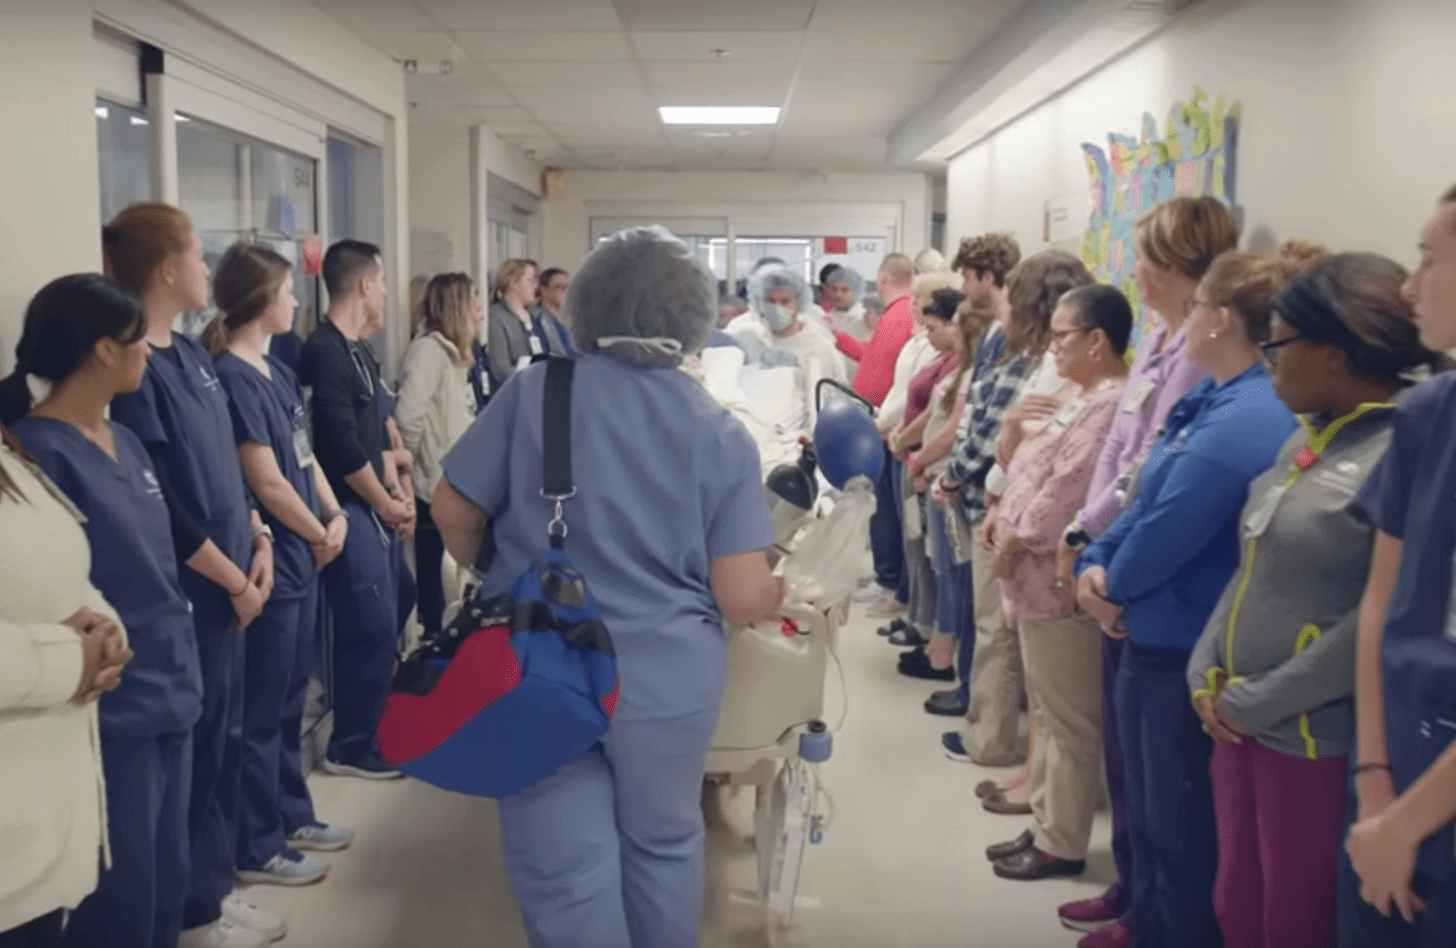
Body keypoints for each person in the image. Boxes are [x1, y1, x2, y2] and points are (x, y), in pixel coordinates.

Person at [431, 226, 784, 948]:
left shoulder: (536, 389)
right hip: (667, 679)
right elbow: (743, 595)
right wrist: (784, 592)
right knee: (663, 842)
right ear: (692, 319)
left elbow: (452, 508)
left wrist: (490, 568)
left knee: (561, 861)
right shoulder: (719, 430)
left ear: (585, 306)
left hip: (539, 659)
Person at [1182, 250, 1441, 948]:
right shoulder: (1306, 439)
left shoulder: (1405, 451)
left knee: (1294, 921)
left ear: (1332, 353)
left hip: (1313, 739)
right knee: (1238, 903)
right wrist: (1204, 671)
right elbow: (1253, 560)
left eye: (1280, 344)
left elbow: (1379, 618)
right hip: (1238, 727)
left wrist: (1257, 699)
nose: (1269, 360)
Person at [1076, 247, 1311, 948]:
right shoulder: (1210, 397)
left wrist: (1110, 583)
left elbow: (1175, 521)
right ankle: (1143, 920)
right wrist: (1097, 558)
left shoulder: (1250, 416)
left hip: (1179, 643)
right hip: (1146, 626)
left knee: (1178, 829)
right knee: (1147, 811)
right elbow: (1143, 497)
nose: (1188, 318)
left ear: (1225, 320)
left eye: (1200, 306)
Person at [1054, 194, 1238, 948]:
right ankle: (1132, 890)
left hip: (1147, 580)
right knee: (1128, 763)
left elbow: (1159, 476)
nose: (1136, 273)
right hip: (1109, 546)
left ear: (1180, 271)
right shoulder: (1165, 340)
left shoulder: (1203, 354)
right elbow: (1120, 461)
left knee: (1165, 787)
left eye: (1148, 262)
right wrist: (1086, 535)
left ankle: (1152, 912)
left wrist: (1104, 555)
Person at [0, 274, 205, 948]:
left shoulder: (129, 442)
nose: (150, 350)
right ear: (103, 352)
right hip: (110, 707)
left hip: (172, 684)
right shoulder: (39, 453)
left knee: (166, 882)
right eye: (136, 340)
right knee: (120, 897)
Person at [102, 204, 275, 948]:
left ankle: (208, 891)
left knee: (222, 745)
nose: (210, 270)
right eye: (200, 256)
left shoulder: (194, 357)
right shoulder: (136, 369)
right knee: (192, 753)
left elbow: (227, 464)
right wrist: (232, 579)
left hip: (238, 573)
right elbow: (162, 501)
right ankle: (185, 913)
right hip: (198, 590)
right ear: (169, 269)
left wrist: (260, 534)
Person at [205, 243, 355, 895]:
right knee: (262, 711)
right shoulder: (232, 377)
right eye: (290, 291)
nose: (298, 301)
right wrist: (316, 530)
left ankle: (290, 814)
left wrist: (333, 512)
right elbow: (264, 481)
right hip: (281, 560)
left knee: (291, 699)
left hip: (306, 553)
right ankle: (256, 842)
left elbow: (301, 455)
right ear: (265, 301)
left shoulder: (274, 370)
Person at [981, 284, 1131, 881]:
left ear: (1097, 341)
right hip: (1027, 576)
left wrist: (1014, 540)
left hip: (1052, 579)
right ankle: (1043, 820)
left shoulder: (1110, 405)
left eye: (1063, 335)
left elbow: (1067, 492)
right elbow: (1024, 466)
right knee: (1046, 705)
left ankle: (1061, 842)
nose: (1053, 345)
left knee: (1069, 719)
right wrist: (1012, 438)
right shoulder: (1074, 393)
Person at [1342, 185, 1456, 947]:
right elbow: (1380, 602)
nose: (1410, 285)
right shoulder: (1426, 415)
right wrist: (1375, 780)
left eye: (1430, 257)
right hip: (1396, 761)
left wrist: (1407, 822)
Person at [936, 251, 1093, 769]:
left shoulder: (1047, 366)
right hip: (1011, 510)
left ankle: (994, 740)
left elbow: (1029, 451)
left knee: (998, 635)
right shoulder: (1045, 360)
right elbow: (1012, 437)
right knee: (1007, 639)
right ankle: (1009, 747)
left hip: (1021, 520)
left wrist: (987, 494)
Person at [0, 410, 126, 948]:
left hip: (40, 846)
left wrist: (106, 632)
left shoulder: (11, 453)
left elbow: (61, 574)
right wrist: (71, 661)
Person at [300, 239, 417, 780]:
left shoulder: (360, 350)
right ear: (366, 284)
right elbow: (344, 450)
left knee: (402, 595)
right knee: (369, 622)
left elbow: (383, 427)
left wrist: (399, 493)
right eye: (384, 281)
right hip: (348, 502)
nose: (388, 292)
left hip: (375, 499)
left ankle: (368, 714)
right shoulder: (324, 351)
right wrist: (384, 504)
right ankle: (351, 743)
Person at [923, 233, 1022, 719]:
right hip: (975, 489)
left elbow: (987, 425)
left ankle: (987, 729)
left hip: (987, 493)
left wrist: (952, 476)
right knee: (981, 616)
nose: (962, 285)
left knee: (990, 624)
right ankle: (978, 713)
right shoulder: (1000, 337)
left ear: (987, 276)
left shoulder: (1008, 336)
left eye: (966, 276)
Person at [887, 288, 970, 674]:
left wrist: (915, 453)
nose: (930, 331)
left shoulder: (959, 370)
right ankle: (928, 629)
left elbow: (948, 428)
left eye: (938, 325)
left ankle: (941, 652)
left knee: (944, 567)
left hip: (937, 471)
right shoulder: (942, 361)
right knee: (927, 557)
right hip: (923, 463)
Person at [395, 273, 480, 637]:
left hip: (452, 482)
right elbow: (408, 419)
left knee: (451, 578)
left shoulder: (455, 355)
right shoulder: (429, 351)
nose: (480, 311)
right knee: (433, 578)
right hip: (430, 484)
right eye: (474, 304)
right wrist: (406, 476)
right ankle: (432, 646)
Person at [735, 265, 847, 393]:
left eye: (785, 301)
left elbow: (833, 396)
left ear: (799, 304)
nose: (777, 308)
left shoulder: (820, 349)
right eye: (771, 301)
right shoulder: (752, 340)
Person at [486, 258, 544, 389]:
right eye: (530, 280)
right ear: (513, 283)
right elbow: (501, 371)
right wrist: (534, 379)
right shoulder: (497, 317)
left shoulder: (535, 316)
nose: (535, 286)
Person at [536, 267, 577, 357]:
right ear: (544, 290)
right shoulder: (542, 318)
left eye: (566, 287)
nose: (564, 291)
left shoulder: (564, 317)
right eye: (558, 287)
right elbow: (558, 353)